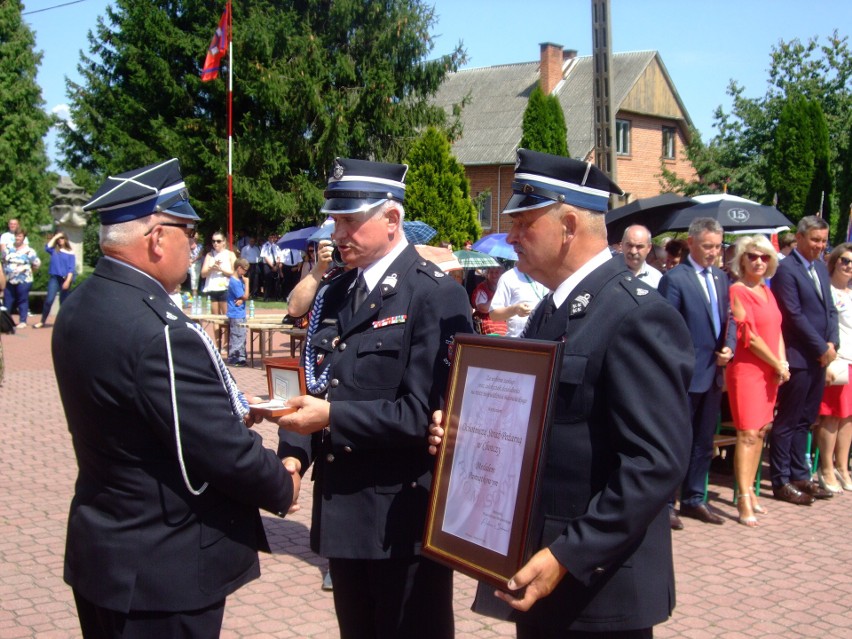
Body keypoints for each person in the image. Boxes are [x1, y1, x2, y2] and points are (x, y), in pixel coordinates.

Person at [432, 149, 693, 637]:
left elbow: (656, 463)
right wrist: (466, 436)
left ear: (569, 224)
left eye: (524, 222)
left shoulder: (636, 315)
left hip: (597, 587)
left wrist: (569, 554)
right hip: (538, 570)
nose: (510, 238)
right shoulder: (551, 310)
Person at [52, 158, 300, 638]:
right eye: (187, 230)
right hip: (164, 571)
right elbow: (219, 451)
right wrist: (282, 483)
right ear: (156, 237)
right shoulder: (161, 332)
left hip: (104, 552)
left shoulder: (80, 305)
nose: (194, 243)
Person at [276, 157, 472, 639]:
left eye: (350, 220)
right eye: (335, 220)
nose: (337, 233)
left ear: (391, 219)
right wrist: (293, 457)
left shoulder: (433, 295)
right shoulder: (338, 290)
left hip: (399, 520)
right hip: (343, 511)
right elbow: (319, 383)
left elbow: (426, 414)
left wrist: (330, 419)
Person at [658, 218, 736, 529]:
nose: (713, 252)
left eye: (717, 246)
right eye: (707, 246)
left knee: (704, 442)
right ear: (691, 243)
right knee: (678, 441)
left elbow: (729, 320)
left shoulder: (720, 277)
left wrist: (729, 348)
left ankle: (694, 498)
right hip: (686, 376)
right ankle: (666, 502)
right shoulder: (676, 279)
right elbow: (667, 331)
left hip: (714, 374)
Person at [771, 215, 837, 504]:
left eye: (823, 241)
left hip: (820, 357)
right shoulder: (786, 269)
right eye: (814, 240)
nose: (819, 246)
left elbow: (830, 309)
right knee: (788, 420)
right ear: (799, 238)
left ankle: (800, 474)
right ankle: (781, 479)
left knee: (806, 420)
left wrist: (831, 343)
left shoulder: (821, 268)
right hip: (799, 357)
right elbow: (793, 314)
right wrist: (820, 347)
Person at [725, 235, 789, 526]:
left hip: (769, 371)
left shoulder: (767, 290)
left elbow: (776, 330)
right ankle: (742, 498)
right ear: (742, 260)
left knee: (761, 431)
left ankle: (750, 491)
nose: (759, 261)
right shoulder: (738, 290)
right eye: (752, 256)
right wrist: (776, 362)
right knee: (747, 434)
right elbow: (748, 336)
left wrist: (782, 363)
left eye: (764, 257)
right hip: (748, 370)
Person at [815, 243, 852, 493]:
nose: (849, 266)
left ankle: (842, 466)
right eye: (845, 261)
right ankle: (826, 467)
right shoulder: (825, 290)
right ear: (835, 261)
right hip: (836, 360)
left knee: (848, 417)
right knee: (831, 416)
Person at [488, 264, 549, 337]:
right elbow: (494, 315)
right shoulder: (509, 277)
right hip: (519, 342)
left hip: (547, 341)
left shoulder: (550, 274)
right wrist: (515, 309)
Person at [201, 230, 236, 347]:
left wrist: (221, 269)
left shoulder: (230, 255)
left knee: (225, 318)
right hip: (212, 288)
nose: (215, 243)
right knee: (215, 318)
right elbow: (203, 274)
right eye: (213, 241)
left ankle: (227, 343)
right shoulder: (209, 255)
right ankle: (218, 344)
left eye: (218, 241)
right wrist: (212, 268)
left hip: (225, 288)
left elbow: (234, 273)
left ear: (224, 242)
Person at [35, 232, 76, 328]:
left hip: (65, 279)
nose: (60, 240)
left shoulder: (70, 252)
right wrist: (55, 237)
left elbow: (71, 268)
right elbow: (47, 247)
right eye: (59, 238)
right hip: (55, 278)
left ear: (65, 239)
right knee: (49, 300)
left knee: (63, 302)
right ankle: (42, 321)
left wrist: (67, 281)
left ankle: (64, 323)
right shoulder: (54, 250)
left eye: (62, 238)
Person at [2, 227, 40, 328]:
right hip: (9, 279)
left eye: (20, 236)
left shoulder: (29, 251)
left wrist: (29, 270)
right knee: (8, 300)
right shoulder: (8, 249)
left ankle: (23, 321)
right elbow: (3, 260)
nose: (17, 238)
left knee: (22, 299)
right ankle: (6, 322)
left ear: (24, 237)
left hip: (24, 279)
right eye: (16, 236)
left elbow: (36, 263)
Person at [227, 258, 250, 367]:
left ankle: (241, 357)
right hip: (235, 313)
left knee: (242, 336)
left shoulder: (240, 280)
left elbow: (242, 297)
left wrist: (242, 299)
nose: (245, 273)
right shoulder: (234, 281)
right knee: (237, 335)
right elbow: (245, 295)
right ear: (239, 268)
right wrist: (247, 283)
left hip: (241, 312)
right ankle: (234, 358)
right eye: (244, 270)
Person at [471, 265, 507, 334]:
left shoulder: (504, 286)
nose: (494, 275)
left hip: (503, 318)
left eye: (496, 272)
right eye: (491, 272)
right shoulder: (482, 288)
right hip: (489, 320)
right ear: (487, 274)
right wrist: (497, 295)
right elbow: (483, 308)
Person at [260, 232, 281, 300]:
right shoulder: (265, 246)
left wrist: (276, 265)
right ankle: (266, 297)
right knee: (268, 281)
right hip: (268, 265)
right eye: (271, 237)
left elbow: (278, 256)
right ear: (268, 238)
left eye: (273, 237)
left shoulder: (276, 246)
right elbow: (265, 257)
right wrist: (272, 266)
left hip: (275, 264)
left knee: (276, 281)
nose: (272, 239)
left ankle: (275, 297)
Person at [187, 233, 203, 298]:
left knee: (196, 277)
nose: (195, 237)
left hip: (197, 263)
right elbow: (187, 252)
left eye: (196, 236)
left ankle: (195, 290)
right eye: (194, 236)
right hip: (190, 263)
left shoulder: (200, 246)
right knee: (192, 276)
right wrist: (189, 260)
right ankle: (194, 291)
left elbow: (200, 255)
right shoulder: (189, 245)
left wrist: (192, 260)